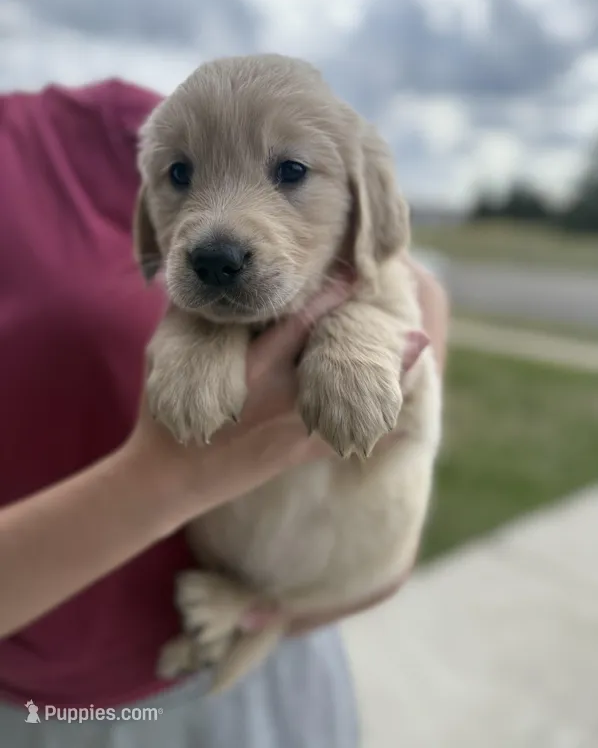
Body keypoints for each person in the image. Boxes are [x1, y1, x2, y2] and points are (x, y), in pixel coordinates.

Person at [0, 78, 448, 747]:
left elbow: (400, 276)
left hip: (262, 671)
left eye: (287, 172)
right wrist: (168, 475)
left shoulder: (124, 123)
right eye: (180, 178)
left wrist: (369, 343)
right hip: (34, 712)